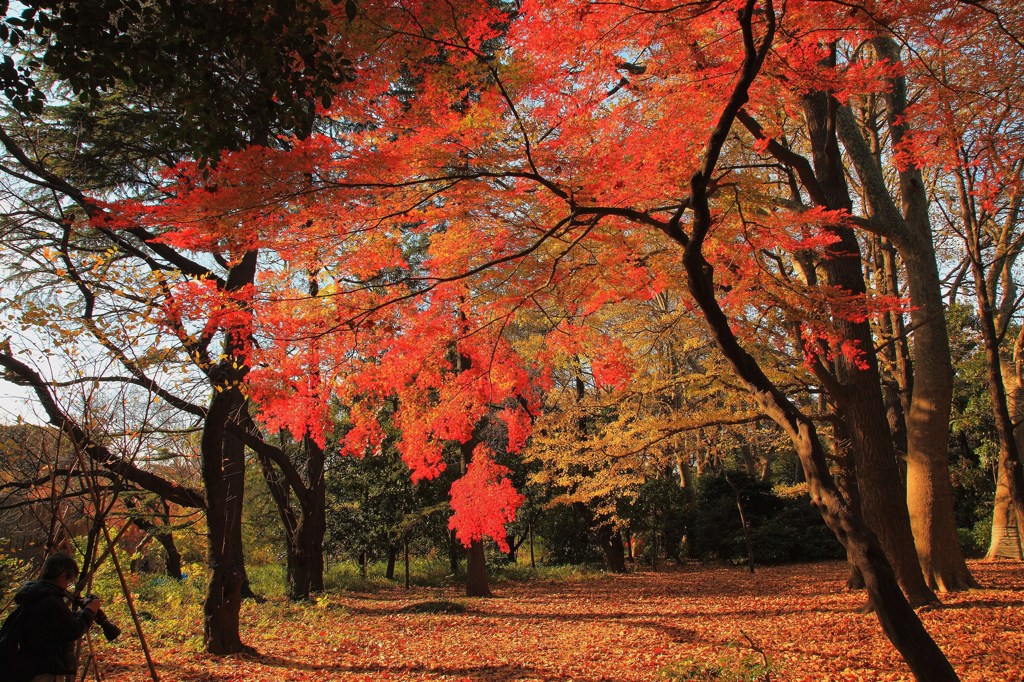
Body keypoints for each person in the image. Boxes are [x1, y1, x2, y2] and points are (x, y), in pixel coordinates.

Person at [11, 553, 101, 682]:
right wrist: (90, 610)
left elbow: (58, 624)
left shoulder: (35, 595)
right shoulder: (50, 601)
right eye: (69, 581)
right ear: (62, 576)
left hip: (28, 667)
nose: (67, 586)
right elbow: (72, 630)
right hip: (44, 669)